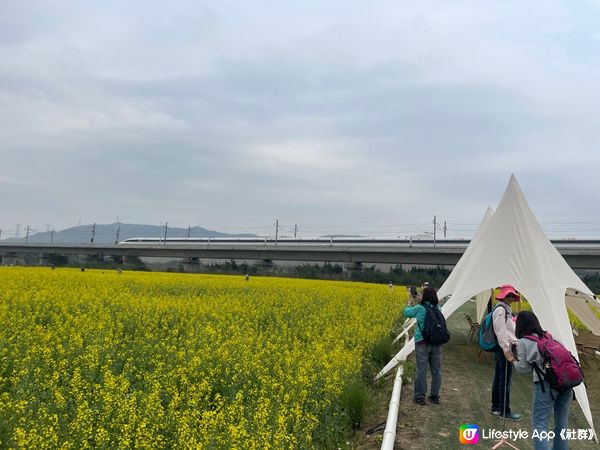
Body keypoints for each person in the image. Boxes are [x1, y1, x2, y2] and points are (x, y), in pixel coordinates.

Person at [511, 311, 572, 450]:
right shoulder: (550, 337)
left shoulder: (523, 342)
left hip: (545, 385)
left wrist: (512, 360)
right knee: (562, 424)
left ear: (519, 325)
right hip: (566, 383)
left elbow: (523, 369)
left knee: (540, 424)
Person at [404, 286, 443, 405]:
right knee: (436, 370)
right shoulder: (438, 308)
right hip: (436, 343)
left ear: (424, 296)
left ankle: (420, 397)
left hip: (422, 342)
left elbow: (406, 312)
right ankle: (434, 396)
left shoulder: (420, 308)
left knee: (422, 370)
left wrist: (410, 300)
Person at [490, 284, 523, 420]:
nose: (510, 297)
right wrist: (506, 350)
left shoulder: (505, 309)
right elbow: (501, 332)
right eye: (508, 295)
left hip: (505, 347)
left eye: (512, 295)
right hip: (505, 348)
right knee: (505, 380)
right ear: (503, 296)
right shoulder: (501, 310)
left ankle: (497, 407)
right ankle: (504, 410)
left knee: (500, 377)